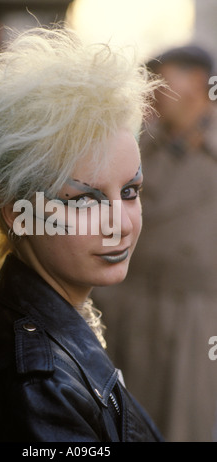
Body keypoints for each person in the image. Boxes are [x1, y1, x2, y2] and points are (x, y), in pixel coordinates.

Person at [0, 27, 164, 442]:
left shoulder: (47, 330)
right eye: (84, 200)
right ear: (20, 214)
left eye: (130, 191)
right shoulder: (35, 385)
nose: (121, 223)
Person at [92, 45, 217, 442]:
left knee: (185, 424)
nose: (156, 91)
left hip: (199, 315)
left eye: (166, 80)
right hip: (133, 306)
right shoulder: (137, 146)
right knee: (127, 423)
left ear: (199, 82)